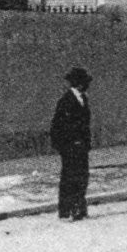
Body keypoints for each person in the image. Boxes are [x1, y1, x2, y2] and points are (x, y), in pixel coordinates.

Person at [50, 67, 93, 222]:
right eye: (85, 82)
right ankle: (66, 211)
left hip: (81, 146)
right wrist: (65, 145)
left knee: (82, 177)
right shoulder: (66, 101)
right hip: (70, 147)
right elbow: (58, 126)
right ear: (80, 84)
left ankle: (79, 208)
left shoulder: (83, 98)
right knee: (69, 178)